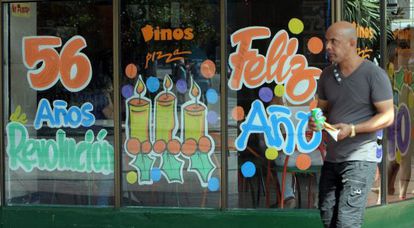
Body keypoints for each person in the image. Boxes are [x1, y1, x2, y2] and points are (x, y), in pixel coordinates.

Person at [309, 21, 394, 228]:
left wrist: (354, 129)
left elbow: (388, 116)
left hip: (360, 159)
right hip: (332, 158)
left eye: (333, 42)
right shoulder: (327, 75)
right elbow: (323, 109)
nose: (327, 46)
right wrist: (316, 121)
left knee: (347, 221)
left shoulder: (373, 75)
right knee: (328, 216)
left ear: (351, 43)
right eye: (326, 41)